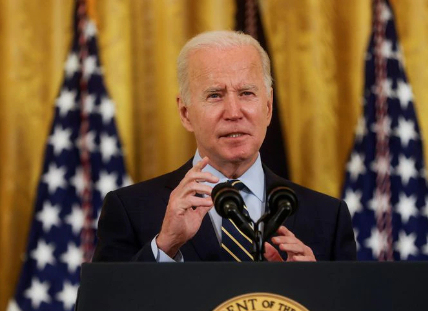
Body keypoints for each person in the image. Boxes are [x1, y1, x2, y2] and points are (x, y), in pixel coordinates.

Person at [92, 30, 356, 263]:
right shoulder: (129, 210)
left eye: (247, 93)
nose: (233, 112)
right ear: (185, 112)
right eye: (215, 95)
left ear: (268, 106)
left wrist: (314, 288)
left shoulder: (328, 217)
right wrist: (165, 246)